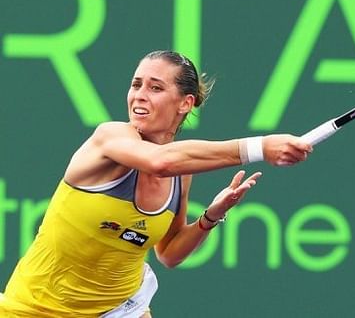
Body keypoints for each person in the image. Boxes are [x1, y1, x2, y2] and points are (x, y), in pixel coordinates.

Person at [0, 50, 312, 317]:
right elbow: (159, 162)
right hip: (31, 308)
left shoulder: (181, 171)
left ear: (185, 103)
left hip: (117, 308)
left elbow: (169, 253)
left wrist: (211, 216)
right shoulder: (110, 137)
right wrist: (261, 147)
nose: (139, 95)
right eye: (136, 84)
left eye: (155, 87)